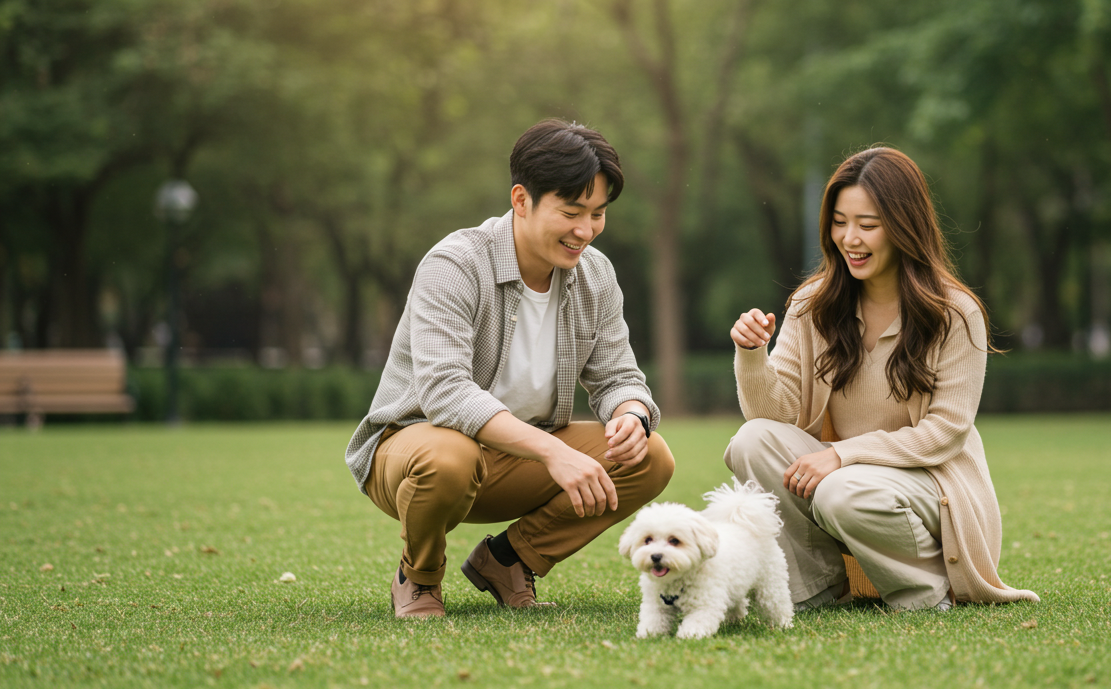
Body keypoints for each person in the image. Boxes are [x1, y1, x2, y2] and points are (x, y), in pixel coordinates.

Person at [345, 119, 674, 618]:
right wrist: (553, 452)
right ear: (522, 200)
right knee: (450, 456)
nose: (585, 231)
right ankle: (420, 576)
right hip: (417, 452)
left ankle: (508, 561)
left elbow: (617, 376)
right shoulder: (454, 264)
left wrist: (632, 414)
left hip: (520, 459)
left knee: (650, 455)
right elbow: (444, 392)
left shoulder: (596, 274)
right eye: (571, 212)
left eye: (598, 213)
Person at [725, 147, 1038, 611]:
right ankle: (817, 588)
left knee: (840, 489)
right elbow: (775, 414)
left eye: (867, 225)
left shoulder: (955, 313)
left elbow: (946, 432)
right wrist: (752, 355)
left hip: (931, 484)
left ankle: (925, 592)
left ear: (904, 225)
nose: (849, 238)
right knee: (752, 441)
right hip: (848, 481)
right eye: (839, 222)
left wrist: (843, 455)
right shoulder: (812, 304)